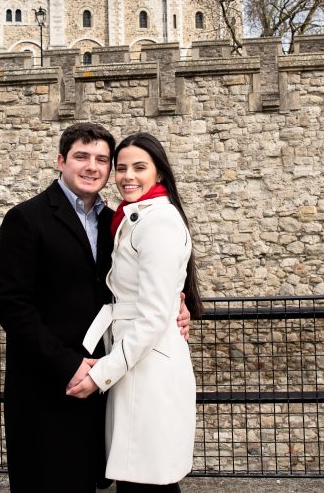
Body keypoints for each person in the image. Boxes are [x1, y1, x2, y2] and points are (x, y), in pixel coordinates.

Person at [0, 123, 191, 493]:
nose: (93, 167)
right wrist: (67, 365)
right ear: (61, 161)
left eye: (102, 159)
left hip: (105, 376)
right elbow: (11, 305)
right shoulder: (26, 218)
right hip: (49, 381)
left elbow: (132, 287)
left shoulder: (115, 220)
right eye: (82, 157)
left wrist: (176, 304)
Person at [67, 132, 202, 492]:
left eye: (140, 167)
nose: (128, 176)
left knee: (147, 479)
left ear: (159, 174)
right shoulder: (136, 216)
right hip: (136, 363)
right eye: (122, 167)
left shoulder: (157, 221)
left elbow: (154, 315)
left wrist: (101, 375)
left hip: (147, 368)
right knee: (140, 478)